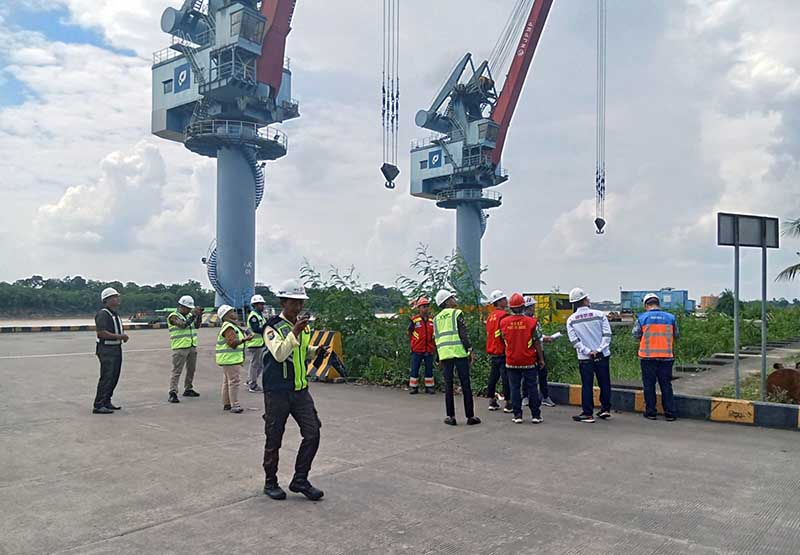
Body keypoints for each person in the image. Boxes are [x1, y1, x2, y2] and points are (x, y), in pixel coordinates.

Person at [261, 279, 329, 501]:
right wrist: (295, 333)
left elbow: (299, 352)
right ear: (283, 302)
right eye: (294, 302)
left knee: (313, 433)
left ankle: (300, 479)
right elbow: (280, 353)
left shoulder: (302, 326)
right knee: (274, 437)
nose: (298, 307)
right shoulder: (272, 327)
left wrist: (315, 351)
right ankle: (270, 482)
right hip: (277, 391)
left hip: (300, 390)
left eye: (301, 302)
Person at [433, 290, 481, 427]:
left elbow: (437, 339)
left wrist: (438, 358)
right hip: (460, 354)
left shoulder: (436, 319)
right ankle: (470, 416)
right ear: (446, 301)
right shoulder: (457, 313)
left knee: (448, 386)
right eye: (452, 297)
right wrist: (470, 350)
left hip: (445, 355)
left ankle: (450, 417)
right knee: (466, 385)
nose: (454, 299)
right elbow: (463, 334)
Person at [566, 287, 612, 423]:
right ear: (585, 300)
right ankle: (605, 409)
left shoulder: (571, 320)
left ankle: (587, 413)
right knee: (604, 382)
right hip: (602, 355)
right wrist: (599, 349)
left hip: (585, 358)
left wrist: (587, 351)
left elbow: (574, 341)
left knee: (587, 384)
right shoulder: (599, 314)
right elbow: (607, 335)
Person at [633, 293, 679, 421]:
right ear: (658, 303)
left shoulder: (642, 318)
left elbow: (636, 334)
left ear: (646, 305)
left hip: (647, 357)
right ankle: (670, 413)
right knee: (666, 385)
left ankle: (651, 412)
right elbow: (676, 334)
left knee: (649, 385)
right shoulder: (670, 318)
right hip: (666, 357)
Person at [500, 293, 545, 424]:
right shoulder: (531, 322)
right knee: (532, 387)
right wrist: (541, 358)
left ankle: (517, 415)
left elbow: (503, 339)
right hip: (528, 360)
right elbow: (536, 342)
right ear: (523, 306)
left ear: (511, 307)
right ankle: (535, 415)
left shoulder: (504, 322)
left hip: (511, 361)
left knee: (514, 388)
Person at [93, 287, 129, 414]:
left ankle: (107, 401)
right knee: (107, 376)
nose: (117, 298)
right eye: (114, 297)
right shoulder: (103, 314)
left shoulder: (114, 314)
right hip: (106, 349)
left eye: (117, 296)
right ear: (106, 300)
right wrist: (120, 336)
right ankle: (98, 404)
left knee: (114, 376)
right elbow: (101, 333)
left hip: (115, 348)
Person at [216, 304, 253, 414]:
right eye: (232, 312)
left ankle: (227, 403)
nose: (235, 313)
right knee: (234, 381)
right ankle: (234, 404)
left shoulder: (230, 325)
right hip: (230, 359)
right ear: (226, 315)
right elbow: (232, 343)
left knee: (227, 382)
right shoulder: (229, 327)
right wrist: (245, 340)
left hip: (228, 359)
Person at [167, 295, 204, 403]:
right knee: (177, 370)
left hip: (191, 345)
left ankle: (188, 388)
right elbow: (182, 325)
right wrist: (193, 315)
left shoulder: (188, 315)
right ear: (180, 306)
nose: (188, 310)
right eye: (187, 308)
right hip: (180, 347)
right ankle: (172, 392)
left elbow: (197, 326)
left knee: (191, 369)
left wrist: (199, 316)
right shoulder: (173, 316)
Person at [522, 296, 556, 408]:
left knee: (542, 374)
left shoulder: (535, 320)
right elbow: (529, 337)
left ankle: (545, 396)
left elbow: (538, 335)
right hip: (529, 352)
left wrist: (545, 338)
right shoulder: (523, 321)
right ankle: (526, 397)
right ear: (527, 308)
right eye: (532, 307)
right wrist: (543, 339)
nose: (534, 309)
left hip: (539, 350)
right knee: (527, 375)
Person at [485, 289, 512, 412]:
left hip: (493, 351)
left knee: (493, 377)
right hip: (502, 350)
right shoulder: (504, 316)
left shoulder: (490, 316)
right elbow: (506, 334)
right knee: (506, 377)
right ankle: (509, 402)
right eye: (504, 299)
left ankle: (491, 400)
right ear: (499, 301)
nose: (506, 301)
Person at [407, 297, 436, 394]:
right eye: (423, 306)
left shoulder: (432, 320)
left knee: (429, 369)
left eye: (427, 306)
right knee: (415, 368)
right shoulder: (414, 320)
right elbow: (410, 332)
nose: (425, 309)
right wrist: (413, 343)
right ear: (419, 308)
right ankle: (413, 387)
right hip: (417, 348)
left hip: (429, 348)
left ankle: (429, 387)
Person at [246, 294, 268, 393]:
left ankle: (250, 380)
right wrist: (267, 330)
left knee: (258, 364)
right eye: (260, 304)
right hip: (255, 343)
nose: (262, 306)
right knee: (255, 364)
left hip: (260, 343)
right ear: (255, 305)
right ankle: (252, 384)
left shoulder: (260, 316)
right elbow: (255, 329)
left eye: (262, 304)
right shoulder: (254, 316)